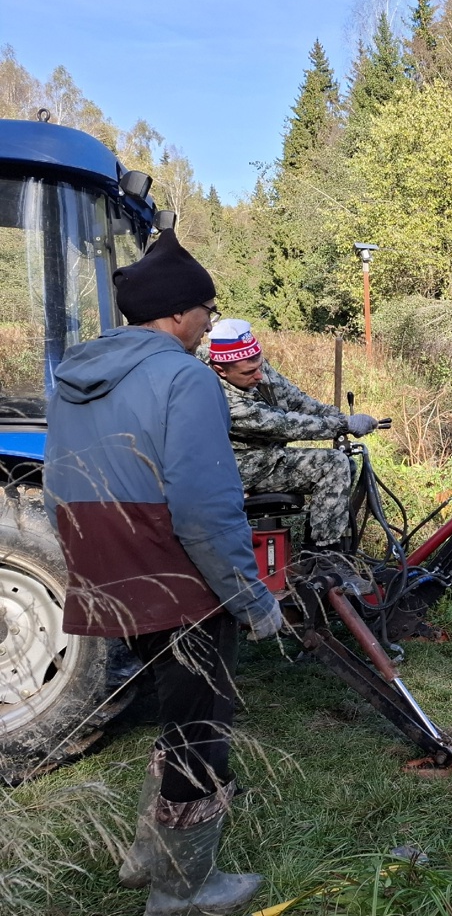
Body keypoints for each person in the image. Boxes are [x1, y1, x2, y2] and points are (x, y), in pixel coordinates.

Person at [42, 229, 282, 916]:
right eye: (205, 309)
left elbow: (62, 484)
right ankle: (183, 888)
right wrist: (250, 597)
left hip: (107, 574)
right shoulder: (185, 379)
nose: (210, 321)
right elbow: (206, 510)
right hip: (177, 580)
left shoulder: (75, 381)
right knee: (201, 730)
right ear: (177, 312)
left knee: (173, 718)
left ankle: (146, 854)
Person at [203, 318, 378, 577]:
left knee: (347, 464)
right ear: (221, 369)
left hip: (266, 455)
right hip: (239, 467)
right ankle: (322, 558)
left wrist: (339, 418)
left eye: (259, 366)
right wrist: (343, 424)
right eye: (249, 373)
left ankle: (319, 546)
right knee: (333, 465)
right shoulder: (221, 398)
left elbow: (295, 400)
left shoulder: (251, 364)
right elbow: (283, 425)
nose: (259, 375)